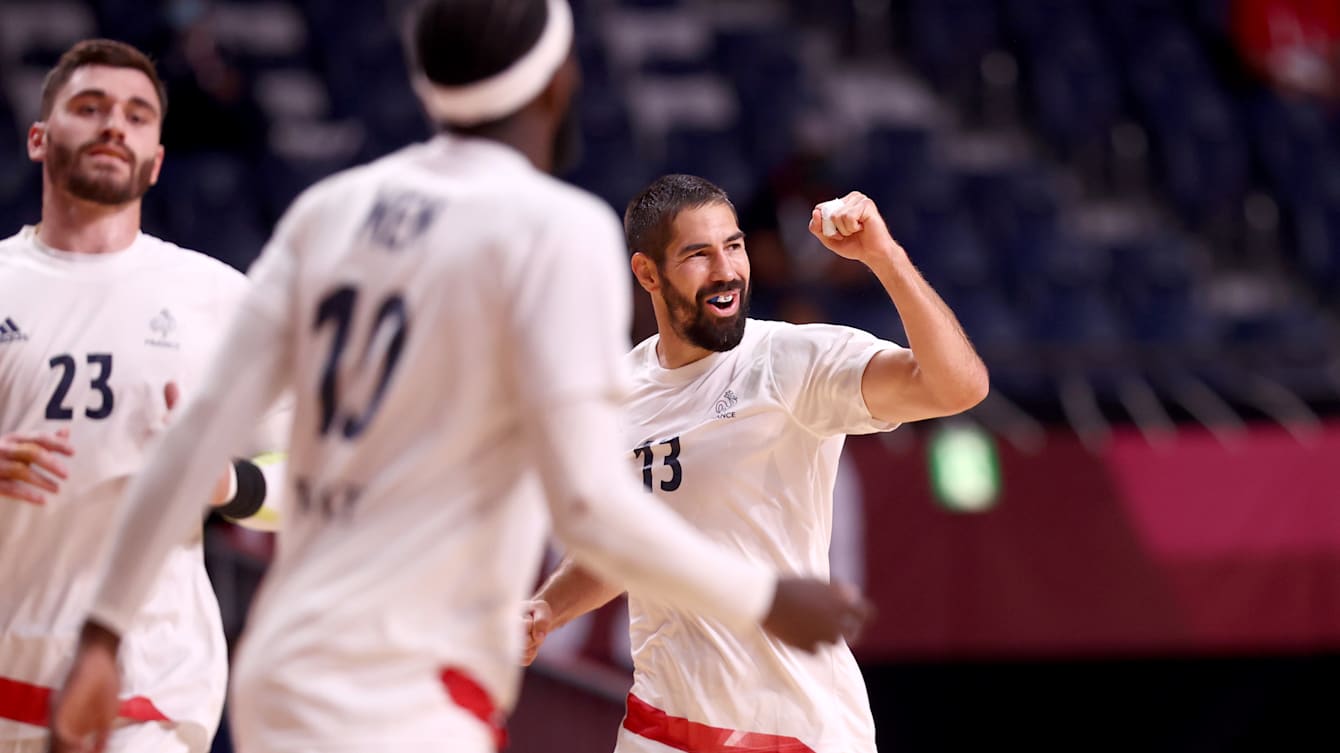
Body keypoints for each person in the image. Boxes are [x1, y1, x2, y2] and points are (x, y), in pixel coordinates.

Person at [48, 3, 869, 752]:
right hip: (411, 679)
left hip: (284, 663)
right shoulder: (556, 230)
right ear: (557, 83)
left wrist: (100, 637)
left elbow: (189, 443)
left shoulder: (329, 210)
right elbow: (591, 508)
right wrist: (762, 597)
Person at [523, 174, 990, 753]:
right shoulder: (617, 393)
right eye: (698, 254)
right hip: (662, 726)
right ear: (647, 273)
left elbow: (956, 389)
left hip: (797, 729)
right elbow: (622, 546)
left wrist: (884, 257)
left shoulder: (791, 360)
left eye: (734, 245)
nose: (726, 270)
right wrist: (547, 608)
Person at [0, 39, 287, 753]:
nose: (113, 126)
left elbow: (313, 472)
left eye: (136, 115)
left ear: (156, 160)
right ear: (39, 137)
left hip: (148, 685)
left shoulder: (218, 298)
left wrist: (224, 479)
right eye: (89, 107)